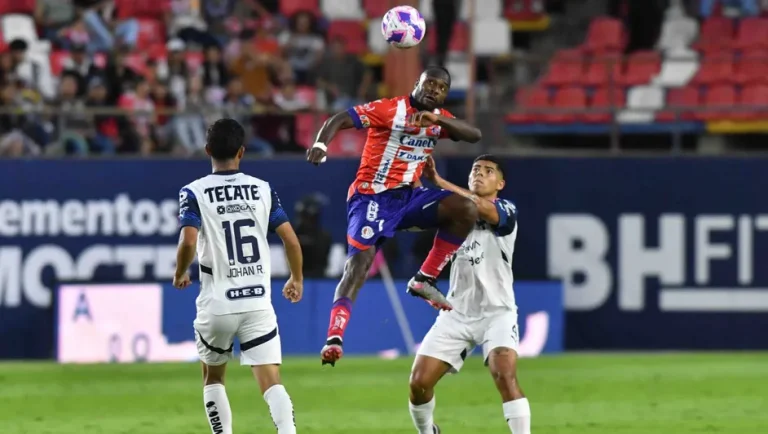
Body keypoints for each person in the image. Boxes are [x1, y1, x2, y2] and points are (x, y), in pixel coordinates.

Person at [306, 66, 483, 366]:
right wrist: (321, 144)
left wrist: (436, 118)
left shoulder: (439, 121)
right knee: (358, 265)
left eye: (441, 88)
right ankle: (334, 336)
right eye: (429, 84)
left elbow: (474, 135)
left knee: (467, 208)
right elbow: (339, 118)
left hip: (411, 197)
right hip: (371, 197)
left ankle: (424, 279)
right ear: (417, 85)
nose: (434, 91)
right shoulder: (390, 109)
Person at [174, 118, 303, 434]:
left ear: (207, 151)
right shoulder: (263, 189)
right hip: (257, 302)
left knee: (213, 378)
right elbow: (290, 239)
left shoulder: (194, 192)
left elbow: (189, 240)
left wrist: (180, 273)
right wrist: (296, 278)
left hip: (217, 303)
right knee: (271, 381)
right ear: (242, 152)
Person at [407, 155, 531, 434]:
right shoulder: (452, 214)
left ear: (500, 183)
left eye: (488, 171)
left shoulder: (506, 210)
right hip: (456, 312)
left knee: (503, 373)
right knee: (418, 383)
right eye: (476, 169)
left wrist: (439, 182)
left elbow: (478, 207)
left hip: (497, 312)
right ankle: (428, 432)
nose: (480, 173)